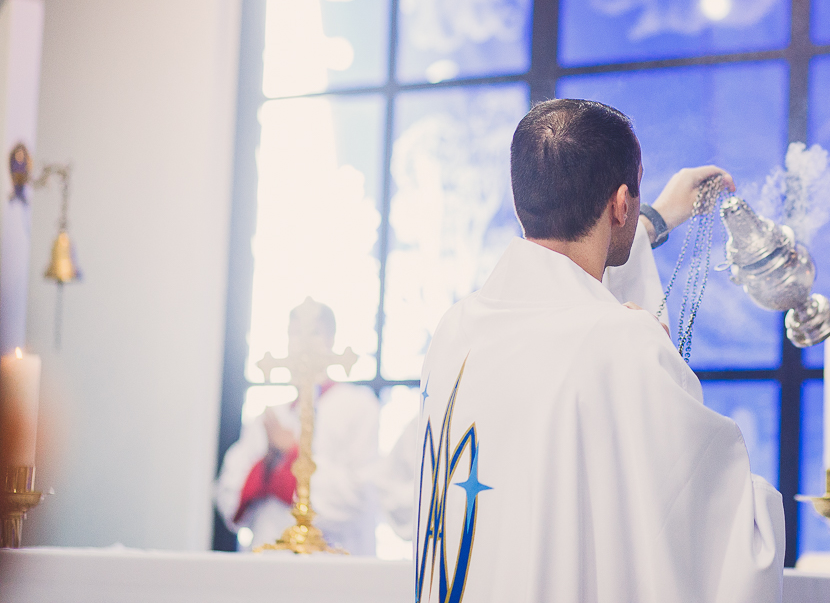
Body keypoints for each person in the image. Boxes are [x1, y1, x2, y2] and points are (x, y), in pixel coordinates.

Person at [412, 99, 785, 603]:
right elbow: (723, 535)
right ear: (620, 202)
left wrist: (653, 219)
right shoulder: (623, 343)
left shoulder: (455, 331)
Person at [214, 298, 380, 555]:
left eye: (313, 333)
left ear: (331, 340)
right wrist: (267, 464)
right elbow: (228, 497)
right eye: (293, 333)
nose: (300, 343)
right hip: (267, 558)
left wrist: (292, 454)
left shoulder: (357, 407)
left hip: (330, 563)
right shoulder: (269, 418)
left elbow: (360, 497)